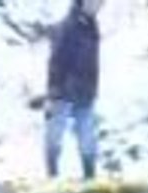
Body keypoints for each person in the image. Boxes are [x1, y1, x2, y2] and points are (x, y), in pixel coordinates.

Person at [45, 0, 104, 180]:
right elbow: (55, 62)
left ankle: (90, 176)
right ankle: (52, 174)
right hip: (63, 91)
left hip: (85, 92)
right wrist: (53, 92)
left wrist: (93, 89)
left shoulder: (92, 27)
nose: (98, 5)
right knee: (55, 135)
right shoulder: (67, 26)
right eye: (94, 2)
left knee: (88, 138)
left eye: (101, 3)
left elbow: (92, 63)